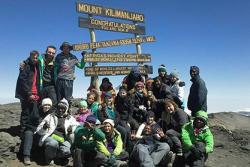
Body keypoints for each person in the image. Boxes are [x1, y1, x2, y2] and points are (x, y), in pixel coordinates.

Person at [35, 98, 79, 165]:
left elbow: (77, 125)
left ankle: (56, 157)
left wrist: (71, 129)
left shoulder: (69, 118)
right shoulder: (50, 116)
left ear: (66, 109)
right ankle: (48, 160)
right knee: (53, 143)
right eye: (59, 108)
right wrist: (44, 128)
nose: (60, 110)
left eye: (63, 108)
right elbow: (38, 130)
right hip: (50, 136)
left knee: (68, 151)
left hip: (63, 139)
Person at [20, 98, 53, 165]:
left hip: (43, 131)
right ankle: (26, 156)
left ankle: (48, 157)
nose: (47, 107)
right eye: (45, 105)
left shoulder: (51, 114)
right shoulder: (36, 112)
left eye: (49, 105)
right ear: (42, 105)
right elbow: (29, 123)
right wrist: (36, 130)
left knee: (50, 139)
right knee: (29, 134)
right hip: (32, 128)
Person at [15, 50, 41, 134]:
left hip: (34, 93)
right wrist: (29, 94)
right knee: (26, 112)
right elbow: (22, 80)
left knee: (33, 112)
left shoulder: (37, 65)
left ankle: (30, 130)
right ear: (30, 56)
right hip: (25, 93)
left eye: (36, 58)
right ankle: (23, 131)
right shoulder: (26, 65)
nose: (35, 59)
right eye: (33, 57)